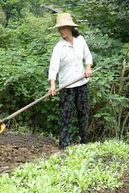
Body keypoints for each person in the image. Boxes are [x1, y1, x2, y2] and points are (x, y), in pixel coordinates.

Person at [48, 12, 93, 149]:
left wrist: (88, 68)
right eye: (60, 29)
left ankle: (83, 141)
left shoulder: (80, 41)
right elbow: (53, 67)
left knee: (83, 114)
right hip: (66, 87)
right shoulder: (59, 47)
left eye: (63, 28)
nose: (61, 31)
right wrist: (52, 85)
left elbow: (88, 56)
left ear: (70, 28)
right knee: (65, 116)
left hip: (82, 84)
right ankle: (65, 145)